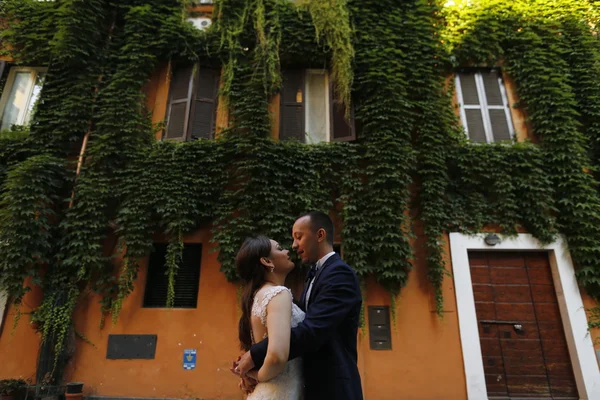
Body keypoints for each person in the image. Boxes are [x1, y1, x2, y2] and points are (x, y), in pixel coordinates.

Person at [233, 211, 364, 400]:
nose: (293, 245)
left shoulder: (339, 274)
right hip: (302, 387)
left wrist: (254, 356)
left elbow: (312, 331)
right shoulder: (301, 282)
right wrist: (253, 364)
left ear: (320, 235)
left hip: (333, 388)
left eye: (299, 237)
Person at [234, 235, 305, 399]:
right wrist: (257, 376)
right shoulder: (278, 294)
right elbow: (276, 356)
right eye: (280, 248)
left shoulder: (258, 296)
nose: (288, 251)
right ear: (267, 261)